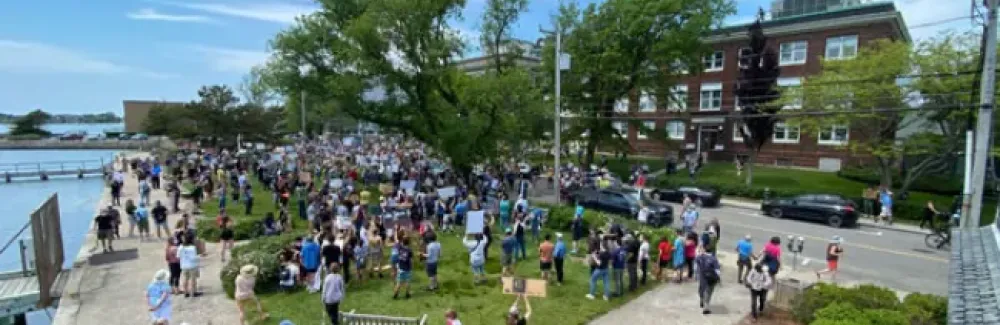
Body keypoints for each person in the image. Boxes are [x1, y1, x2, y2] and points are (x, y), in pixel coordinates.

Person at [696, 248, 721, 314]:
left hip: (702, 277)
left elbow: (697, 262)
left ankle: (701, 300)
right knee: (708, 292)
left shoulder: (700, 257)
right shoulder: (714, 259)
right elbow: (717, 270)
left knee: (701, 289)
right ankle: (706, 308)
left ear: (705, 250)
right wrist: (718, 278)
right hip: (711, 279)